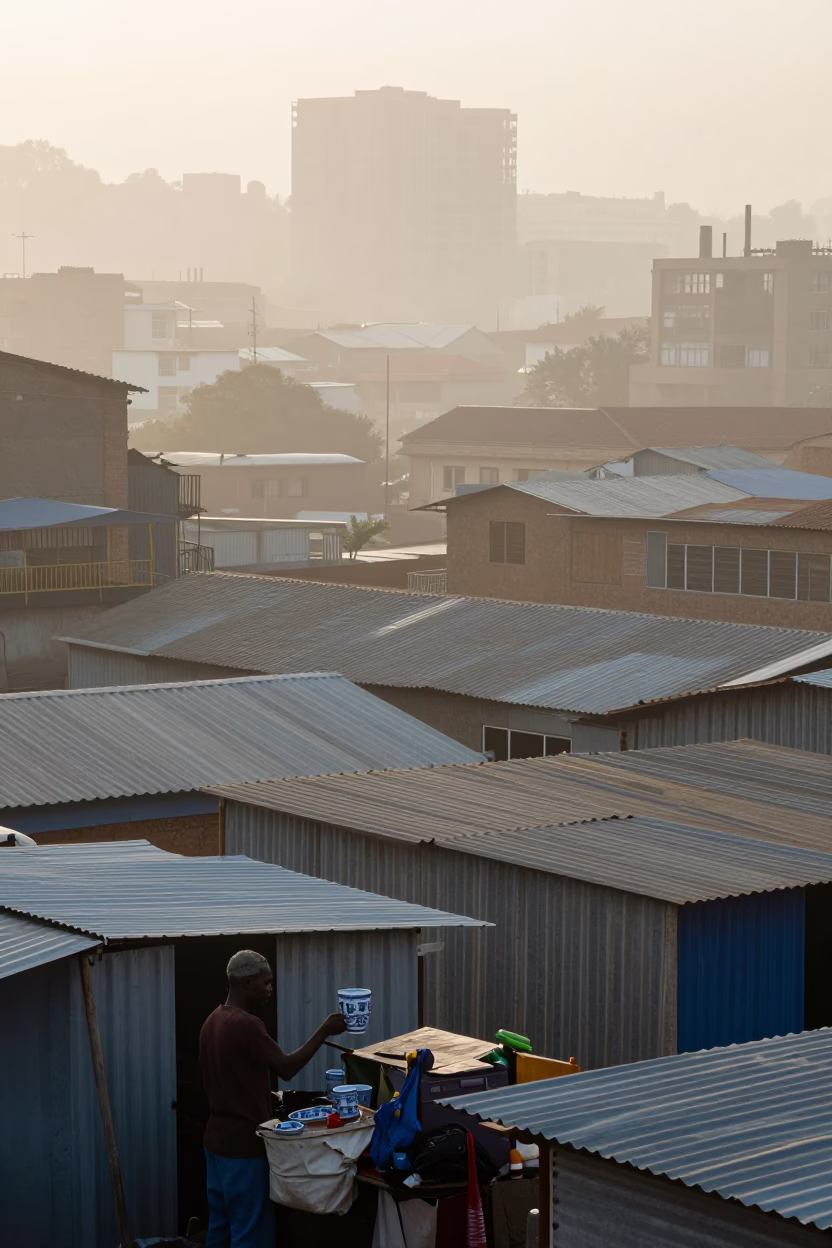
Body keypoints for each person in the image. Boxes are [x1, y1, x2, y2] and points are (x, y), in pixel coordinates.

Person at [199, 949, 348, 1248]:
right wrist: (325, 1030)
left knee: (220, 1229)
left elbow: (227, 1078)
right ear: (247, 983)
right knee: (248, 1233)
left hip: (215, 1144)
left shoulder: (212, 1021)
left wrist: (261, 1095)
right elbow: (286, 1067)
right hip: (243, 1149)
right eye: (265, 983)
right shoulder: (247, 1025)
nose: (270, 990)